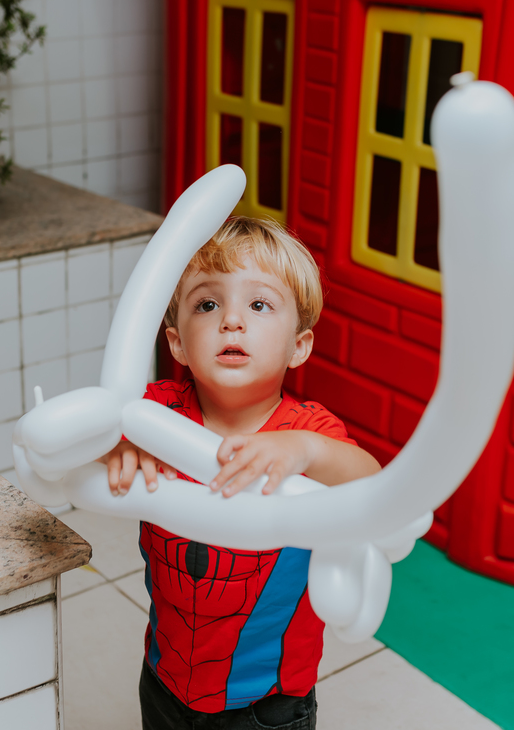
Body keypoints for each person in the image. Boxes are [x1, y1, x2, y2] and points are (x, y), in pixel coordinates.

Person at [105, 216, 381, 730]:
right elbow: (100, 428)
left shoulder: (308, 429)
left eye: (259, 305)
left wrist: (306, 451)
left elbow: (373, 483)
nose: (231, 320)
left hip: (269, 705)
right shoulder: (154, 411)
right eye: (207, 304)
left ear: (299, 345)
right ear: (177, 343)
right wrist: (121, 446)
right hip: (164, 680)